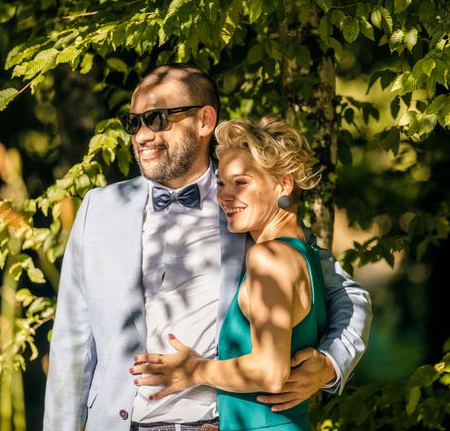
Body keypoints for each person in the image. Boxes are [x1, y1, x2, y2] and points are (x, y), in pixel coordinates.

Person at [43, 64, 371, 431]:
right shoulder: (100, 209)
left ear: (204, 120)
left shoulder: (247, 202)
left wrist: (329, 363)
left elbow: (347, 295)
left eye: (156, 119)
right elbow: (72, 345)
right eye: (133, 123)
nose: (142, 135)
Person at [131, 116, 336, 430]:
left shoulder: (270, 257)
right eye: (222, 184)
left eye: (241, 182)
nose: (224, 196)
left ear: (283, 183)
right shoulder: (302, 255)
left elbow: (270, 371)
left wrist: (195, 371)